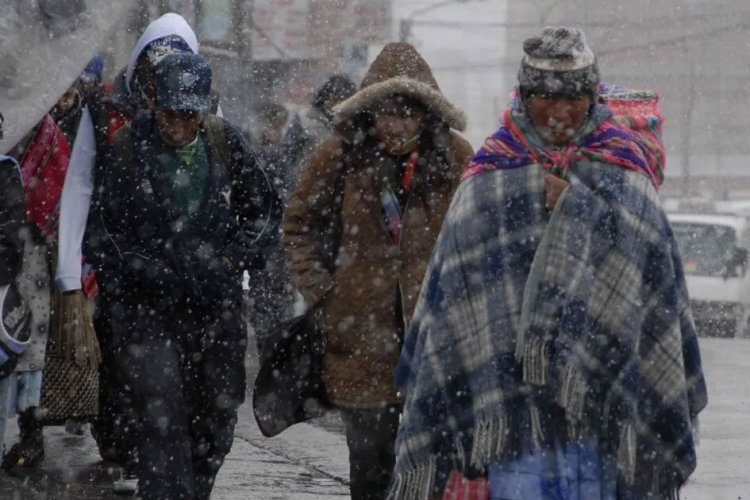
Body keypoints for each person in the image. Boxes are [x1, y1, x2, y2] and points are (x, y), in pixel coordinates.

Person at [389, 27, 708, 499]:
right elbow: (456, 292)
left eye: (574, 98)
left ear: (592, 97)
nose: (559, 112)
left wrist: (576, 205)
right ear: (524, 95)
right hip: (514, 411)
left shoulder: (625, 171)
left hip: (603, 406)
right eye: (544, 97)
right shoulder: (489, 178)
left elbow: (653, 288)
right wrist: (530, 198)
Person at [283, 42, 473, 500]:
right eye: (387, 113)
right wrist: (325, 293)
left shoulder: (455, 160)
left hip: (433, 338)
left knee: (430, 468)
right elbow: (299, 224)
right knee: (369, 469)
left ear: (427, 114)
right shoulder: (340, 155)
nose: (397, 125)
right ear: (370, 111)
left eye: (408, 114)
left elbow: (475, 232)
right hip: (360, 339)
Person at [90, 52, 280, 500]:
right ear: (154, 105)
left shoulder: (224, 143)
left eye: (187, 115)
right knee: (162, 417)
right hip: (147, 314)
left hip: (216, 312)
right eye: (168, 113)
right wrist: (141, 268)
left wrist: (232, 261)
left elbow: (265, 213)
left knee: (214, 423)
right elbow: (103, 232)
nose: (176, 125)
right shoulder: (127, 149)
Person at [55, 13, 205, 491]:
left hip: (178, 272)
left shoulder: (199, 111)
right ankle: (123, 452)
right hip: (114, 262)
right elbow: (78, 188)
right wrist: (69, 274)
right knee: (117, 362)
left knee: (171, 376)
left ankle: (155, 458)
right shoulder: (101, 110)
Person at [281, 74, 356, 198]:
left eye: (345, 100)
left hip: (336, 195)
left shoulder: (351, 126)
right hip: (307, 191)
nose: (340, 105)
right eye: (336, 98)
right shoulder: (304, 121)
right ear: (325, 98)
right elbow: (289, 155)